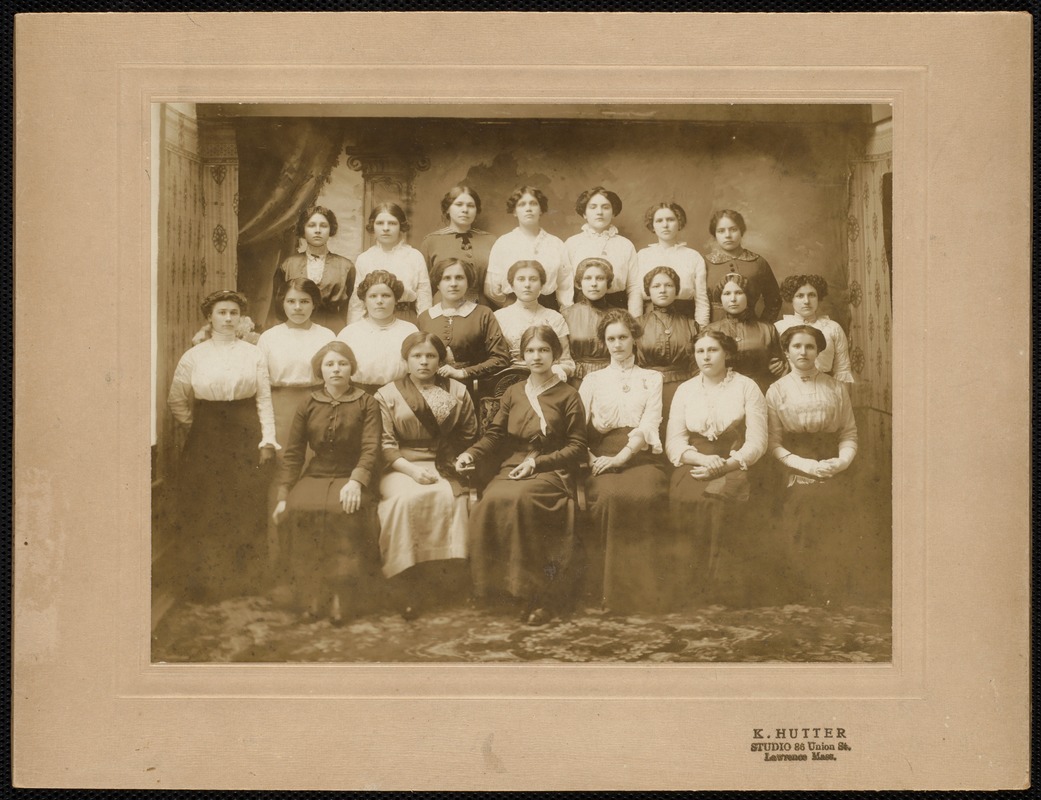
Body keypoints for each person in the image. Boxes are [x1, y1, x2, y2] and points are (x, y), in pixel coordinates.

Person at [455, 325, 588, 626]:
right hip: (514, 464)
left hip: (552, 468)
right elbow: (494, 435)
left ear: (555, 354)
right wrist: (471, 454)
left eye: (543, 350)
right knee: (489, 502)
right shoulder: (515, 392)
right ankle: (498, 590)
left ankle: (539, 595)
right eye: (530, 350)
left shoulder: (569, 395)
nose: (537, 356)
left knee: (521, 502)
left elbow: (577, 447)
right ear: (522, 355)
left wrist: (537, 464)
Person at [166, 290, 278, 601]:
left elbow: (264, 399)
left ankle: (246, 582)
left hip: (246, 431)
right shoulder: (194, 356)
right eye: (221, 313)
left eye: (233, 313)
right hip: (207, 433)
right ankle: (207, 584)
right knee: (207, 505)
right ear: (210, 318)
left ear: (242, 318)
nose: (228, 318)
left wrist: (267, 439)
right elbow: (177, 400)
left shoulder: (253, 353)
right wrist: (199, 426)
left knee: (245, 502)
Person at [272, 341, 382, 624]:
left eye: (342, 363)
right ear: (320, 370)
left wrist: (357, 482)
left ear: (352, 368)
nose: (336, 369)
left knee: (343, 511)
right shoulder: (308, 402)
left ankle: (342, 596)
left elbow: (371, 447)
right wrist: (284, 494)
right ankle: (312, 593)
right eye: (330, 364)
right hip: (317, 473)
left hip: (352, 474)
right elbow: (294, 452)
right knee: (297, 509)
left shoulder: (366, 402)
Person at [374, 332, 480, 620]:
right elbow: (383, 444)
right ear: (406, 360)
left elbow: (470, 433)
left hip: (443, 461)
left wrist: (461, 459)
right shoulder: (387, 394)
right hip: (401, 465)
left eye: (430, 356)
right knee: (404, 501)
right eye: (417, 356)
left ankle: (451, 581)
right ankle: (405, 583)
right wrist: (411, 470)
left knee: (455, 499)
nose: (424, 362)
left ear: (439, 360)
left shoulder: (457, 390)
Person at [665, 329, 768, 607]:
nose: (706, 356)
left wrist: (724, 466)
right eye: (700, 351)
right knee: (686, 497)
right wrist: (703, 460)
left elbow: (757, 442)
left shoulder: (747, 386)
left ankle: (723, 591)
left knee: (720, 502)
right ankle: (690, 587)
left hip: (735, 460)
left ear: (727, 353)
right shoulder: (684, 390)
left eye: (713, 350)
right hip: (696, 460)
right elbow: (674, 444)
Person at [578, 310, 669, 612]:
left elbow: (649, 423)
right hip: (599, 455)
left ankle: (643, 593)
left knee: (644, 495)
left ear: (634, 338)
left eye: (623, 338)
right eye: (611, 339)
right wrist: (592, 458)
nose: (617, 345)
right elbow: (577, 428)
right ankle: (608, 594)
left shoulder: (651, 378)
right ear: (604, 343)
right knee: (608, 497)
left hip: (639, 455)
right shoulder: (592, 380)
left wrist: (620, 458)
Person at [766, 325, 858, 605]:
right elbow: (773, 444)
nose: (803, 352)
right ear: (787, 351)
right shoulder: (776, 390)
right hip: (793, 462)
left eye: (809, 346)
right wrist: (805, 466)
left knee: (841, 501)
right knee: (805, 503)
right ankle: (805, 587)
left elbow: (848, 433)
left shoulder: (836, 387)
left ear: (818, 351)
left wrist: (841, 462)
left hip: (833, 459)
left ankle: (836, 587)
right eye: (797, 346)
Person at [256, 278, 336, 587]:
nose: (298, 307)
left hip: (319, 403)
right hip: (281, 408)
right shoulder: (269, 337)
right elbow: (262, 384)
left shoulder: (327, 335)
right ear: (282, 303)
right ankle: (280, 562)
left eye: (304, 301)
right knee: (282, 478)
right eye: (291, 301)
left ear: (315, 303)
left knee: (315, 475)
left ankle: (316, 561)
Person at [417, 258, 510, 385]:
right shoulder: (425, 318)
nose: (453, 283)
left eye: (459, 278)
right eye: (447, 278)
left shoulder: (483, 314)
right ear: (438, 283)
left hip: (474, 388)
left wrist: (463, 372)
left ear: (468, 282)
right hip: (431, 388)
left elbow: (501, 359)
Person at [637, 266, 701, 437]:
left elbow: (697, 365)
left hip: (682, 390)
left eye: (669, 285)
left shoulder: (691, 324)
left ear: (676, 290)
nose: (663, 290)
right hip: (645, 391)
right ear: (648, 291)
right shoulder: (637, 325)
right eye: (656, 286)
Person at [269, 205, 356, 332]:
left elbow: (350, 308)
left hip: (334, 328)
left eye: (323, 226)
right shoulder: (288, 265)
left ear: (331, 229)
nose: (318, 230)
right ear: (303, 230)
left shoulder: (346, 266)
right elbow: (278, 308)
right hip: (297, 328)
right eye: (311, 225)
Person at [485, 185, 571, 310]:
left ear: (541, 209)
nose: (528, 208)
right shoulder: (503, 243)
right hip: (513, 307)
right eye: (522, 204)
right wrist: (509, 307)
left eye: (533, 204)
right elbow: (492, 288)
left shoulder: (556, 244)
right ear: (514, 211)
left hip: (548, 307)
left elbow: (565, 284)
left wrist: (565, 310)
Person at [347, 202, 432, 325]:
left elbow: (424, 299)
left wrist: (425, 330)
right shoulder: (364, 259)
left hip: (406, 318)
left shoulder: (414, 256)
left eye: (392, 223)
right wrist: (353, 331)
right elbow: (357, 303)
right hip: (372, 320)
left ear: (401, 226)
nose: (386, 228)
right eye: (380, 223)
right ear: (373, 226)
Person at [564, 186, 642, 317]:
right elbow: (565, 285)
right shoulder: (572, 244)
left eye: (605, 207)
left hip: (617, 308)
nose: (599, 212)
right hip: (580, 310)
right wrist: (569, 314)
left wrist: (634, 319)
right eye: (593, 207)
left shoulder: (625, 245)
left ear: (613, 212)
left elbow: (634, 286)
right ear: (584, 213)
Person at [338, 270, 419, 394]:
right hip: (358, 396)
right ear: (364, 301)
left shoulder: (409, 330)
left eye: (386, 295)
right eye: (373, 296)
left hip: (401, 397)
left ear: (396, 299)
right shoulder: (349, 333)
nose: (379, 301)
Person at [493, 260, 576, 381]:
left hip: (548, 381)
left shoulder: (554, 318)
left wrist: (557, 370)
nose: (527, 284)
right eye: (521, 279)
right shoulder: (498, 317)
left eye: (533, 279)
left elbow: (567, 362)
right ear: (512, 286)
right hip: (510, 382)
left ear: (542, 285)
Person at [707, 272, 785, 394]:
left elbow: (780, 365)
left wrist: (780, 366)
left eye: (739, 293)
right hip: (723, 392)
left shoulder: (767, 329)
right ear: (720, 298)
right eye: (727, 293)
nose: (733, 299)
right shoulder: (710, 331)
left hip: (761, 390)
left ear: (748, 296)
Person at [418, 184, 496, 307]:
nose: (465, 210)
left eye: (471, 205)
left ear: (477, 210)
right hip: (443, 309)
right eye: (459, 204)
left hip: (483, 309)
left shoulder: (490, 241)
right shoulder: (431, 241)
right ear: (448, 209)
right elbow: (424, 287)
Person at [637, 202, 710, 325]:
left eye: (670, 220)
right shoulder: (642, 256)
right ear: (652, 225)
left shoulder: (693, 256)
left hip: (685, 322)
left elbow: (701, 299)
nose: (665, 225)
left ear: (679, 223)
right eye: (659, 221)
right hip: (649, 323)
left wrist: (701, 329)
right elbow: (636, 297)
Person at [705, 209, 781, 323]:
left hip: (750, 330)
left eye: (733, 229)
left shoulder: (758, 262)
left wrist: (764, 327)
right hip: (713, 331)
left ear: (742, 231)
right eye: (721, 231)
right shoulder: (704, 263)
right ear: (714, 235)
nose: (727, 235)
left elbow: (774, 300)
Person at [775, 274, 854, 383]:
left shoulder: (833, 328)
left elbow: (842, 369)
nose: (806, 301)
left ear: (819, 297)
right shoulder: (778, 328)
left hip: (826, 389)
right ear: (791, 298)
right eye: (800, 296)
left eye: (812, 295)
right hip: (789, 390)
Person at [561, 257, 613, 386]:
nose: (594, 283)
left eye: (600, 278)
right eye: (588, 278)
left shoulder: (619, 315)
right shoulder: (566, 315)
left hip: (611, 379)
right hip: (576, 380)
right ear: (579, 283)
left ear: (608, 283)